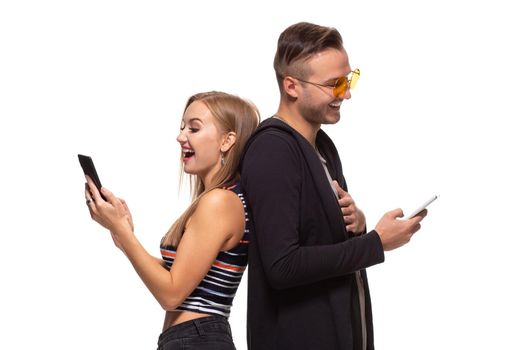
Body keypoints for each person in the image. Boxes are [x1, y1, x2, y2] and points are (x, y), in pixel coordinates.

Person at [240, 22, 428, 350]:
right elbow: (281, 266)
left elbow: (323, 245)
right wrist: (375, 243)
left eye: (349, 79)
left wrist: (357, 225)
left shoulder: (323, 146)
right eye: (334, 84)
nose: (347, 93)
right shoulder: (272, 150)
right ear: (291, 86)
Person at [84, 91, 259, 350]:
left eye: (194, 128)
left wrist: (123, 232)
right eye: (182, 127)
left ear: (227, 140)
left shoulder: (220, 202)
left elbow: (172, 293)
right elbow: (181, 277)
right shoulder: (217, 200)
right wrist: (122, 236)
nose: (181, 137)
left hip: (199, 339)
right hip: (191, 338)